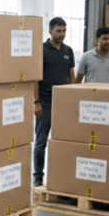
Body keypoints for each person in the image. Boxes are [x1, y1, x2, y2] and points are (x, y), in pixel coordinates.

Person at [34, 17, 76, 187]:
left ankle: (60, 176)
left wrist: (72, 97)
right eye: (58, 30)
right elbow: (35, 78)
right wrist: (36, 102)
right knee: (41, 142)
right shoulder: (41, 50)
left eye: (64, 30)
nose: (62, 34)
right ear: (50, 31)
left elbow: (72, 75)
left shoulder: (68, 50)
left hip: (64, 104)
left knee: (63, 142)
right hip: (45, 103)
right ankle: (38, 176)